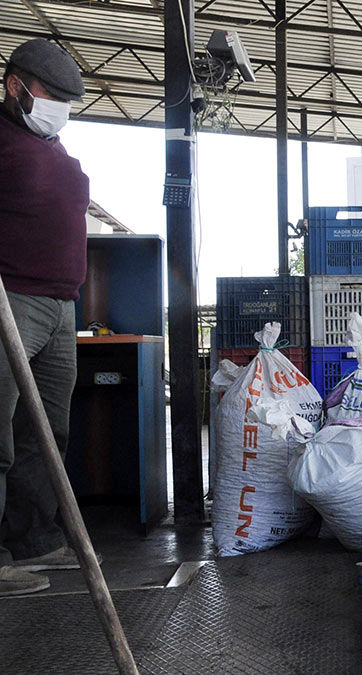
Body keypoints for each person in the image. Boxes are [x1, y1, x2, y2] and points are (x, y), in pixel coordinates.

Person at [0, 39, 91, 597]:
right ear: (15, 87)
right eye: (51, 95)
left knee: (45, 432)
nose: (60, 107)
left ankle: (34, 539)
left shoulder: (48, 142)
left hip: (61, 306)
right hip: (12, 298)